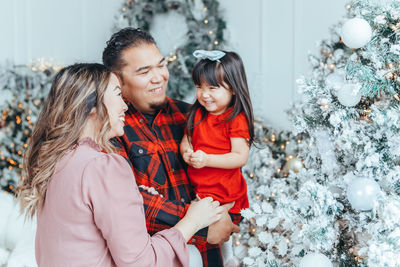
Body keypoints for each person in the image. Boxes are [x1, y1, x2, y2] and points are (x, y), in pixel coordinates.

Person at [16, 63, 224, 267]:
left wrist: (130, 194)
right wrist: (193, 221)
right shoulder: (102, 166)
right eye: (117, 94)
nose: (124, 105)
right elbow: (141, 262)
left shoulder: (58, 160)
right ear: (92, 107)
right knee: (194, 255)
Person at [102, 28, 239, 266]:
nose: (159, 77)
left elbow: (225, 175)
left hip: (209, 257)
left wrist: (226, 214)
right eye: (144, 71)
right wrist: (203, 227)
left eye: (161, 65)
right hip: (158, 258)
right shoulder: (112, 129)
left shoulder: (191, 116)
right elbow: (126, 202)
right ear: (117, 80)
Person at [180, 50, 254, 266]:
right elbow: (187, 139)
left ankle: (230, 255)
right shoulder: (197, 114)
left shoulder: (235, 119)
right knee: (203, 229)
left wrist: (207, 159)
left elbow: (240, 157)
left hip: (223, 188)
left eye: (212, 87)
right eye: (199, 87)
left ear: (232, 87)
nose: (204, 94)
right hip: (199, 186)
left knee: (223, 223)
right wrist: (187, 152)